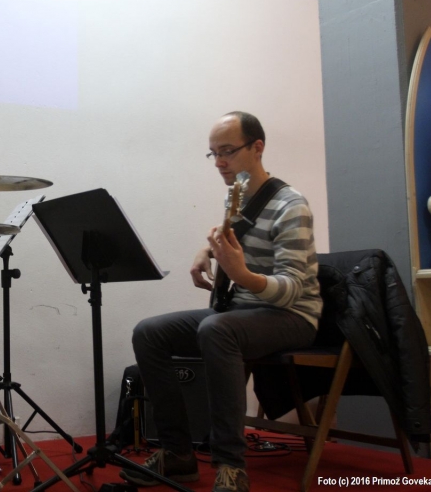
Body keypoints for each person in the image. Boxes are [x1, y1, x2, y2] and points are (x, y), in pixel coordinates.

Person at [120, 112, 322, 492]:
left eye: (227, 151)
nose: (219, 163)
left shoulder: (290, 205)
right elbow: (232, 238)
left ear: (257, 148)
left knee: (216, 328)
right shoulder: (238, 196)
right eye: (213, 154)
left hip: (291, 316)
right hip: (242, 312)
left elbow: (294, 288)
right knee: (148, 333)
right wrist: (207, 251)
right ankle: (177, 453)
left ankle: (230, 464)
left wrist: (241, 275)